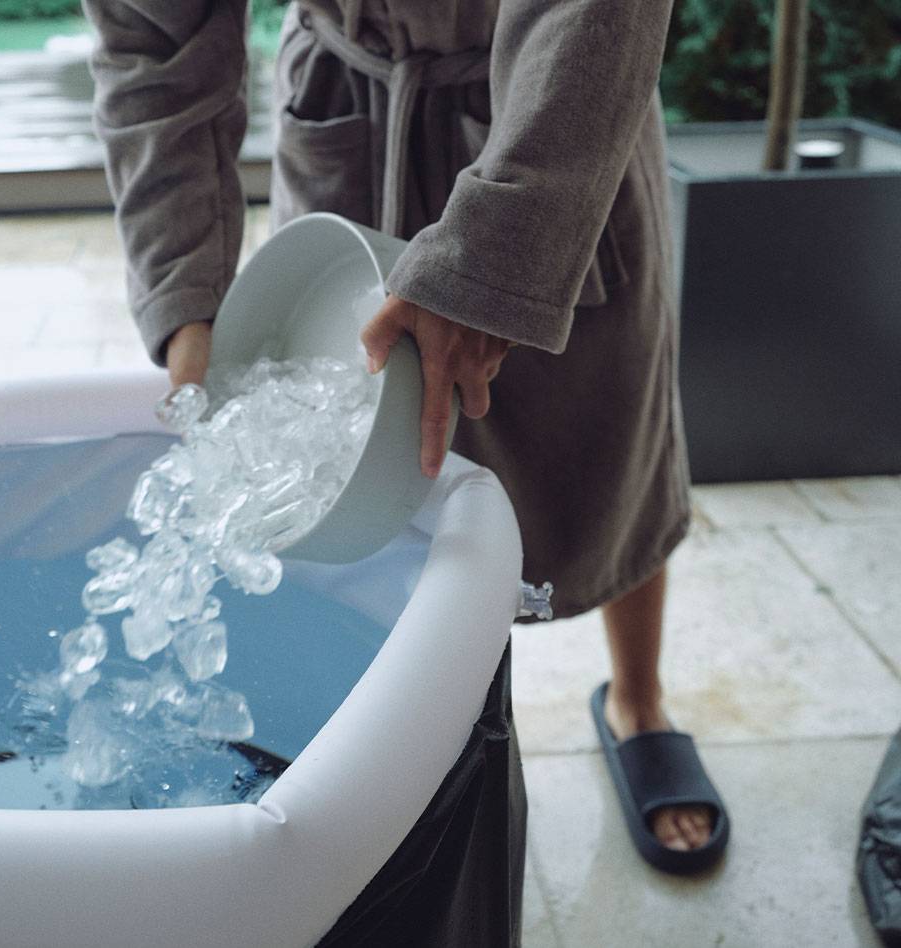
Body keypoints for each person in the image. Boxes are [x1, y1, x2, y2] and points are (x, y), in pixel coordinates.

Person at [83, 0, 730, 933]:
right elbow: (154, 32)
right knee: (343, 479)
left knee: (605, 431)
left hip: (555, 111)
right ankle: (393, 752)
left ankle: (639, 700)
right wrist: (187, 291)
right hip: (349, 114)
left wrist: (498, 248)